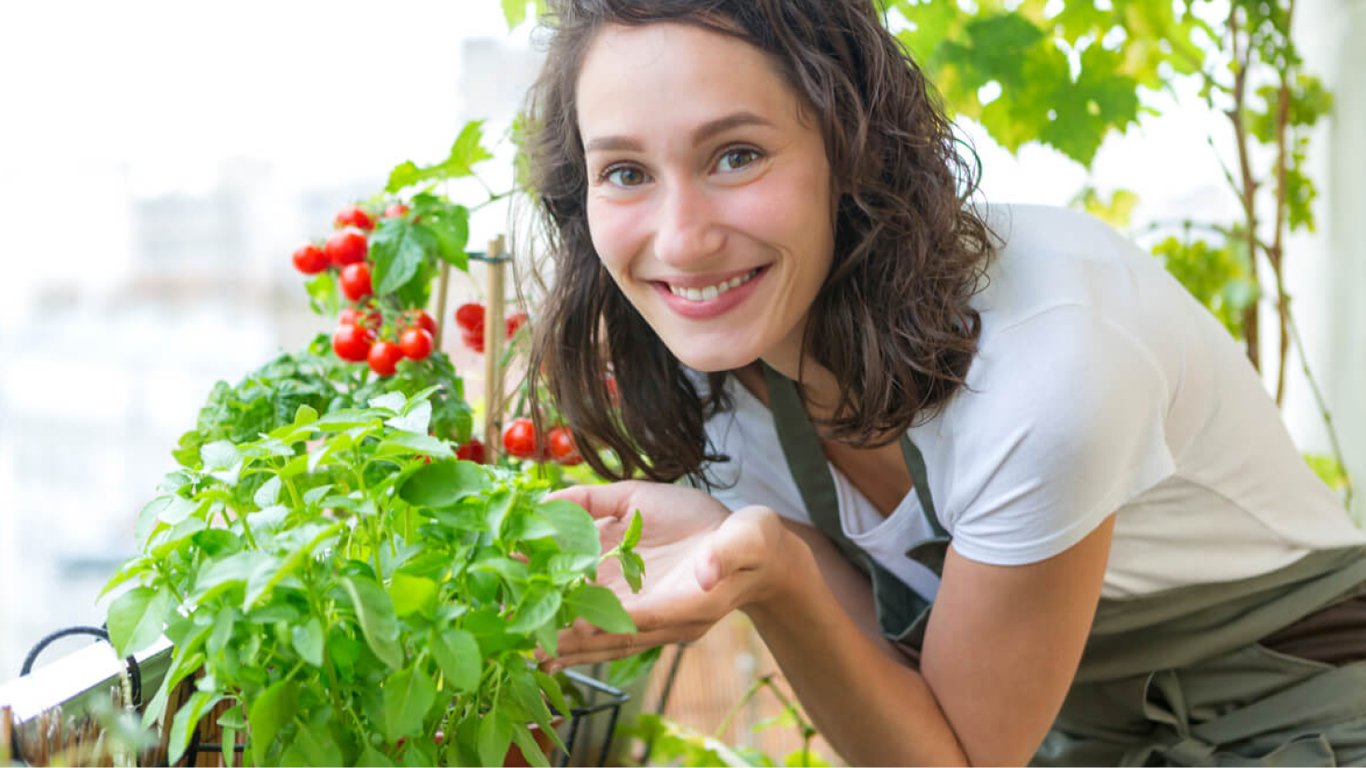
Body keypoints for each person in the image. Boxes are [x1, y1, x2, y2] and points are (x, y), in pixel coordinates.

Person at [520, 0, 1366, 764]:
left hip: (1314, 721)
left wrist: (777, 576)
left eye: (737, 156)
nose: (682, 239)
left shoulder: (1046, 368)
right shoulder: (726, 374)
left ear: (850, 148)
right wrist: (753, 550)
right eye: (626, 172)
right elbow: (914, 734)